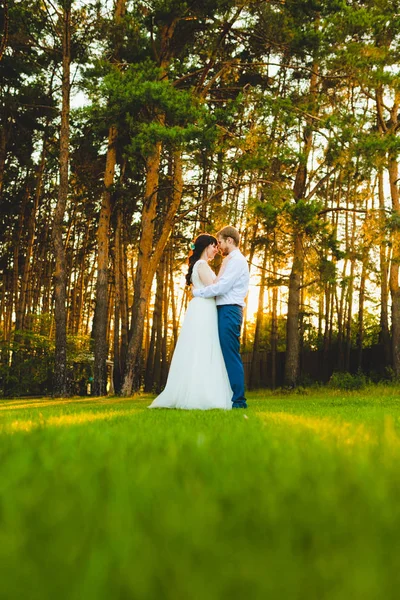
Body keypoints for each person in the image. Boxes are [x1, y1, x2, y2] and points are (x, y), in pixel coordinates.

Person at [149, 234, 232, 410]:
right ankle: (199, 394)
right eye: (213, 246)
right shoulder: (201, 265)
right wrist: (224, 270)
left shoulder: (200, 265)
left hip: (202, 308)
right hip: (203, 309)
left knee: (201, 347)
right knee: (203, 348)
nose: (216, 250)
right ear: (205, 247)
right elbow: (213, 288)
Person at [192, 226, 249, 409]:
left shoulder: (237, 261)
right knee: (223, 355)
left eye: (221, 242)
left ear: (230, 241)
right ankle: (226, 397)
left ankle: (239, 401)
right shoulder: (229, 260)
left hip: (230, 309)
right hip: (222, 309)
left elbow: (222, 287)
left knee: (230, 354)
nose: (219, 247)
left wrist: (198, 293)